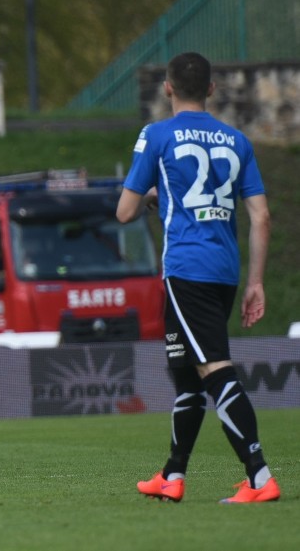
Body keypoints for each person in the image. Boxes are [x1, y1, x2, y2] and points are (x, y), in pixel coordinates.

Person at [117, 52, 279, 504]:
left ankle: (260, 477)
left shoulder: (157, 135)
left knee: (214, 370)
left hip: (186, 270)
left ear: (167, 88)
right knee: (187, 377)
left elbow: (124, 211)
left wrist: (152, 196)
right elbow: (262, 217)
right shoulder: (237, 141)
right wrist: (256, 282)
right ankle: (172, 476)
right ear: (211, 89)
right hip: (224, 271)